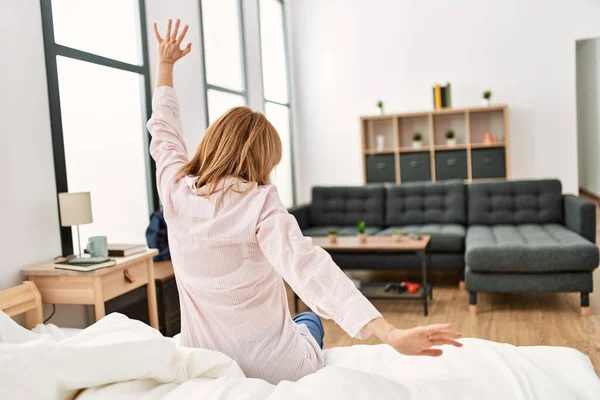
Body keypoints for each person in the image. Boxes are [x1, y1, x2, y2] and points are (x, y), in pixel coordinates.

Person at [148, 20, 463, 385]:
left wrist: (165, 66)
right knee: (309, 321)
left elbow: (164, 131)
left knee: (301, 320)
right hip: (274, 366)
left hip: (203, 362)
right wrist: (390, 334)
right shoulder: (259, 202)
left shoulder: (175, 189)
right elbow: (311, 269)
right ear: (260, 161)